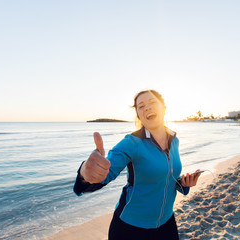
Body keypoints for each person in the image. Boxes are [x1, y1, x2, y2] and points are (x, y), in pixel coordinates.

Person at [73, 89, 201, 240]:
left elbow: (166, 176)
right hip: (130, 228)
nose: (147, 107)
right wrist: (85, 174)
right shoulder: (131, 143)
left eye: (152, 102)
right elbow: (105, 174)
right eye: (141, 106)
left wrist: (183, 184)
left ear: (164, 108)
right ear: (139, 115)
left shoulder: (174, 140)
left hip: (167, 223)